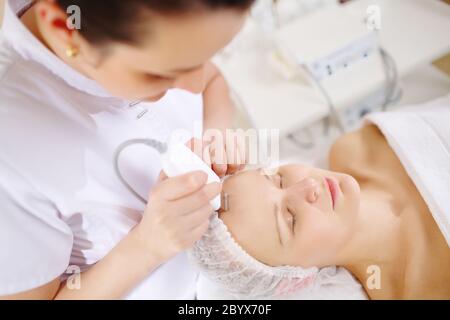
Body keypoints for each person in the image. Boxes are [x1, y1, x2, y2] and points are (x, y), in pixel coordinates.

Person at [0, 0, 254, 299]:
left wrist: (216, 134)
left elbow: (211, 81)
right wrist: (148, 245)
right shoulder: (12, 156)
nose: (195, 83)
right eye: (161, 74)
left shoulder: (153, 31)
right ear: (64, 30)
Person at [191, 96, 450, 299]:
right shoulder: (428, 290)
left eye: (277, 178)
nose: (307, 186)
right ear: (297, 278)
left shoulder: (354, 150)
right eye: (291, 219)